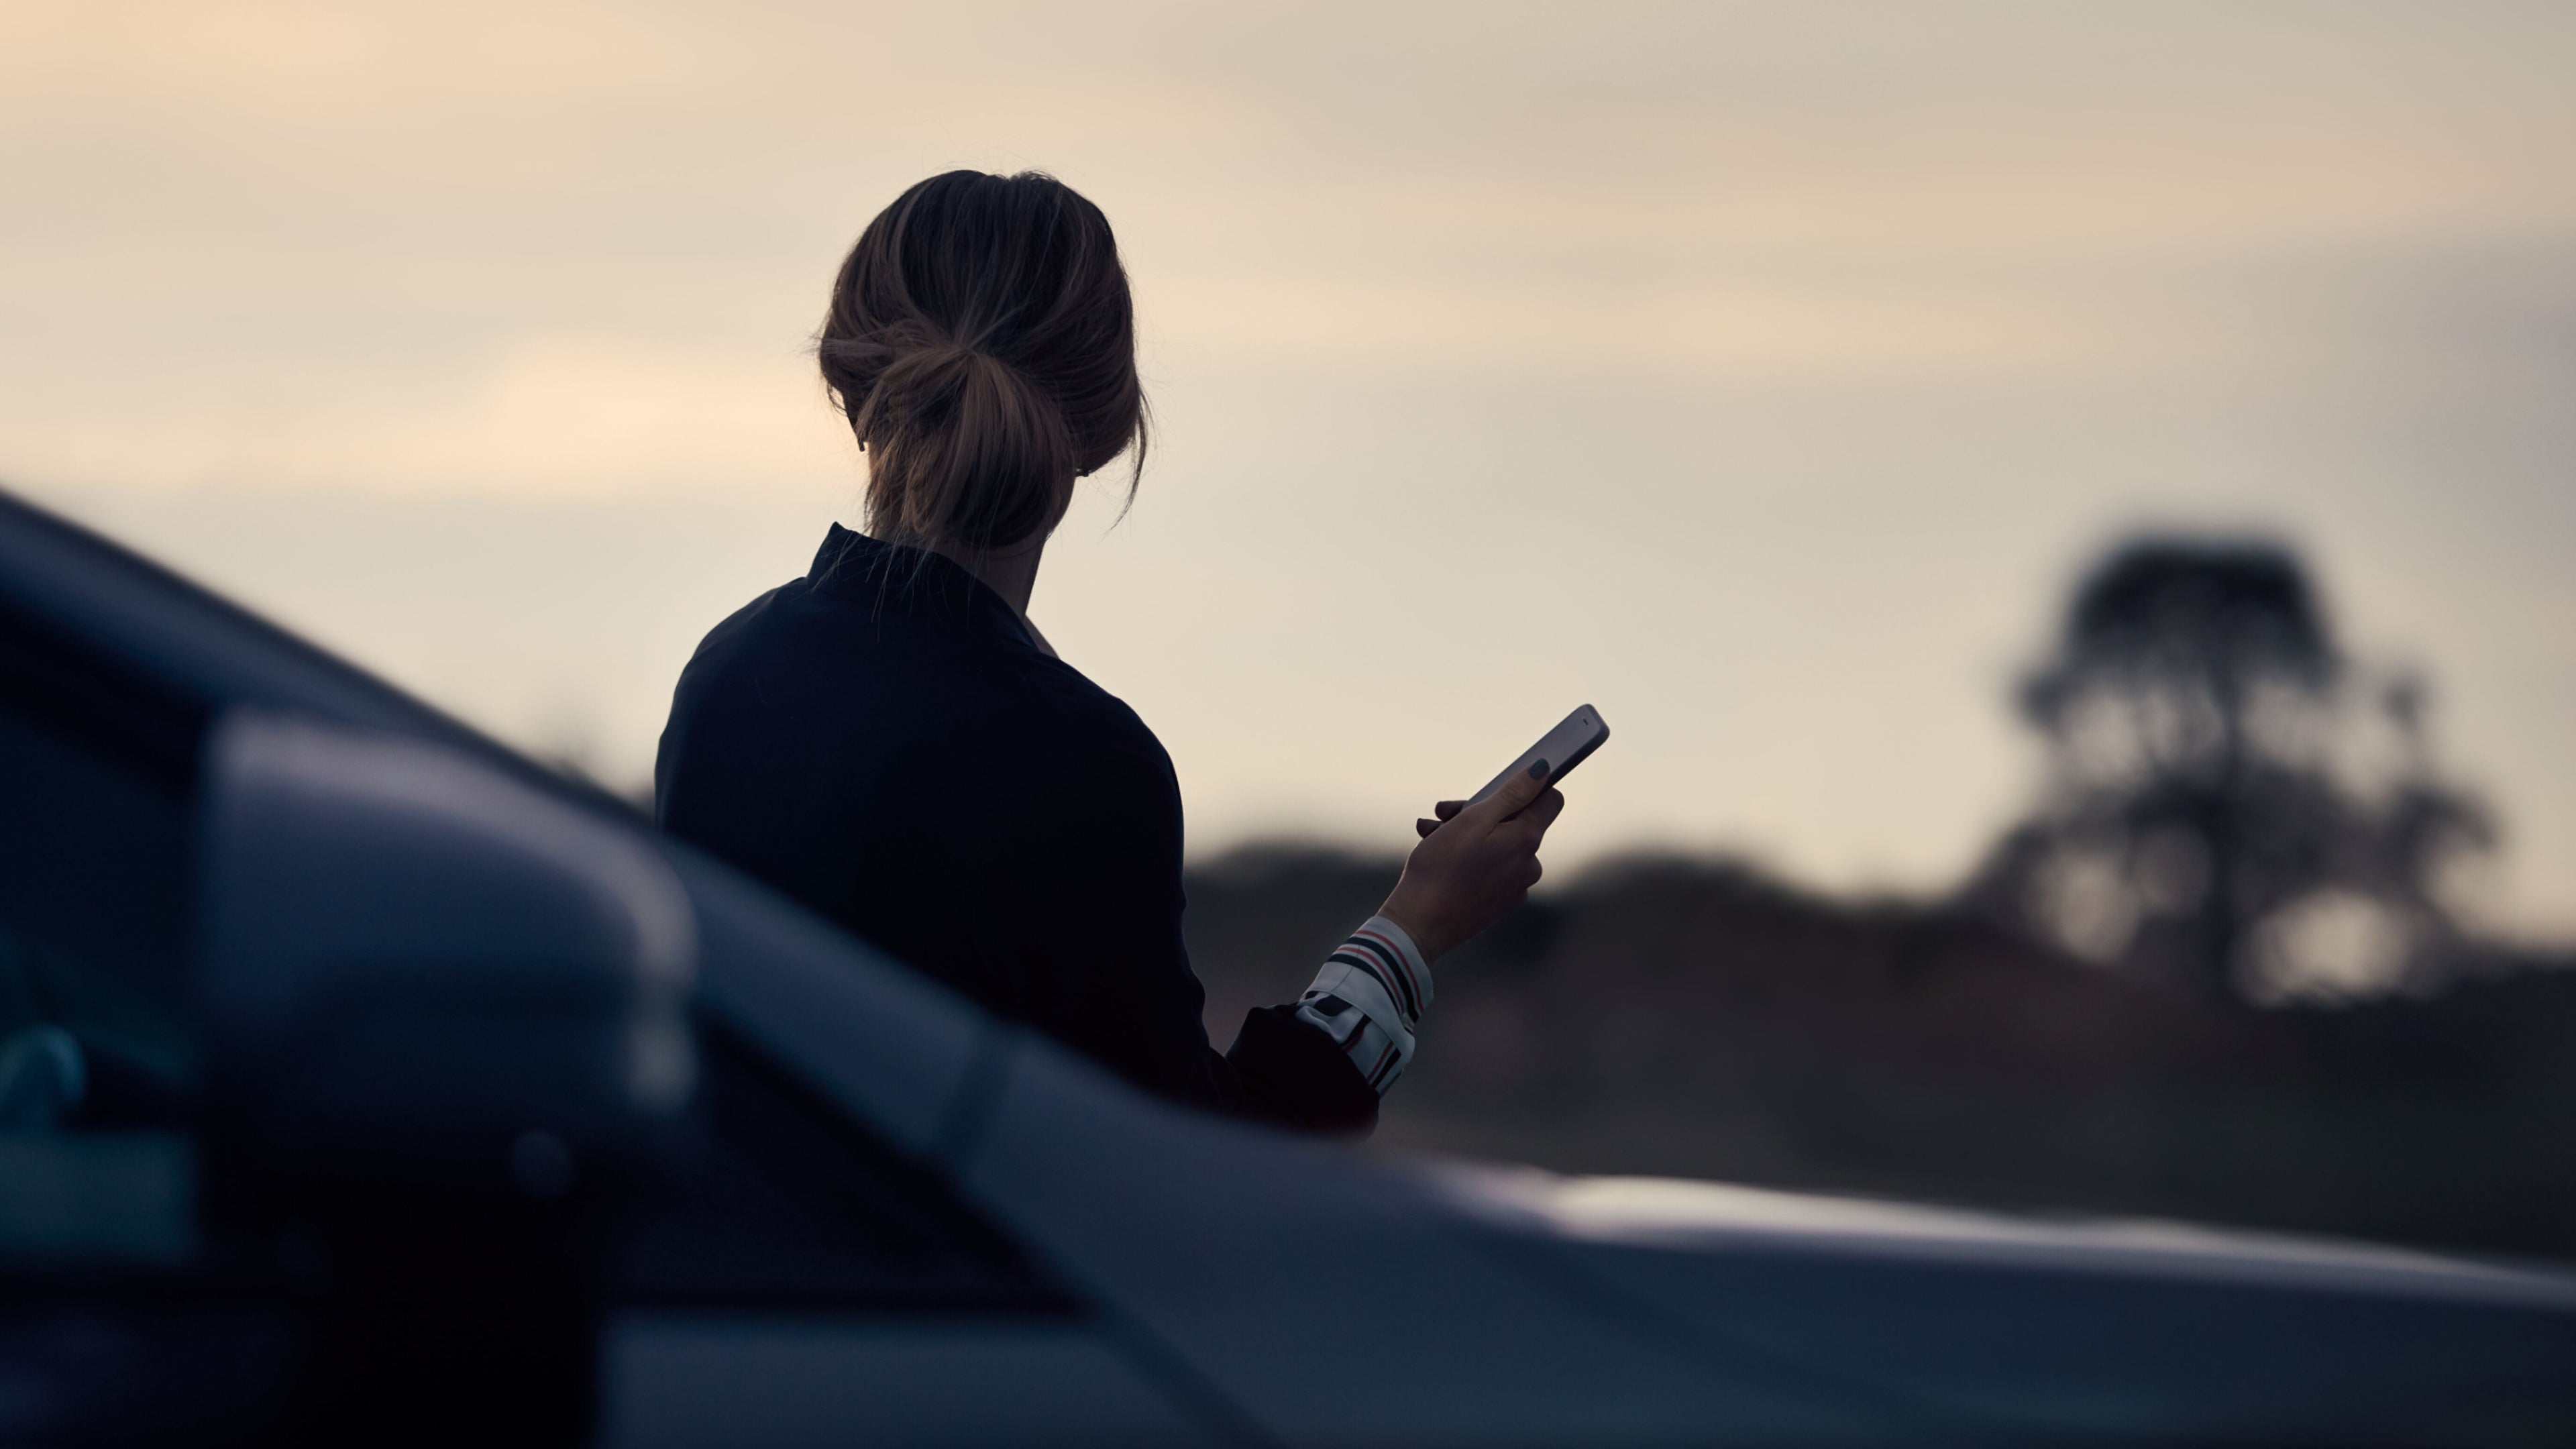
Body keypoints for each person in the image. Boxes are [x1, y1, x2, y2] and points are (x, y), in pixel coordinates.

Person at [654, 170, 1564, 1134]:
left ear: (848, 386)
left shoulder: (727, 676)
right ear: (1105, 425)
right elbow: (1195, 1174)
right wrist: (1411, 935)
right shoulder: (1078, 762)